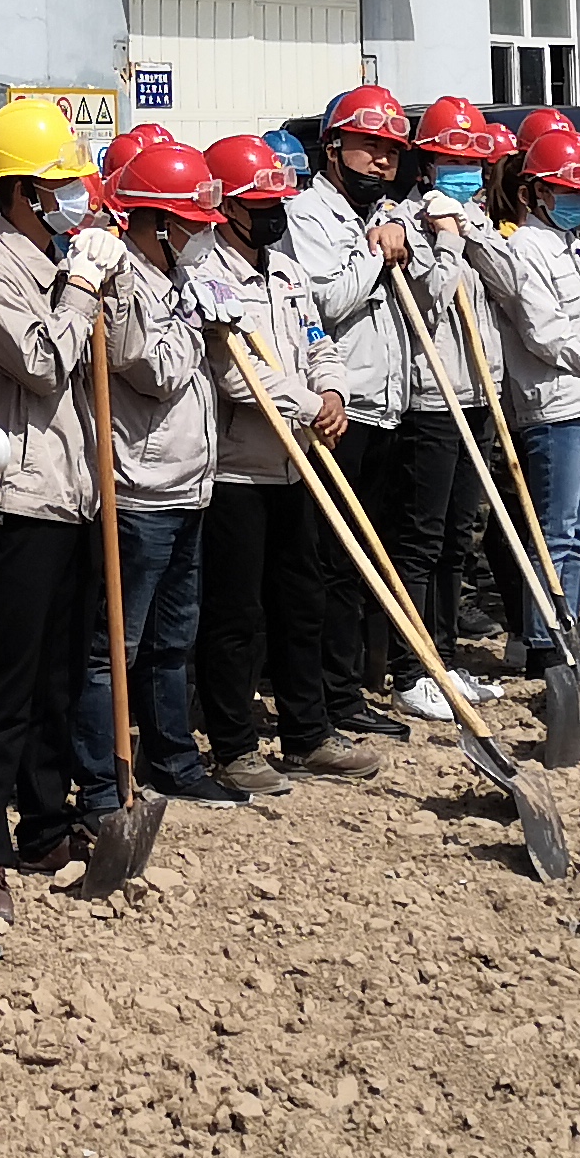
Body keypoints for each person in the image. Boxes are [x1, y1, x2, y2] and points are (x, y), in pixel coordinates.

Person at [0, 95, 118, 923]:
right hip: (13, 500)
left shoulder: (56, 261)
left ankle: (46, 822)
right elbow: (44, 363)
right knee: (4, 684)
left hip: (70, 494)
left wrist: (96, 281)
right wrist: (79, 289)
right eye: (57, 184)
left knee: (59, 677)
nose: (73, 196)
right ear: (18, 192)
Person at [185, 134, 374, 793]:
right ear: (229, 207)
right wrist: (307, 405)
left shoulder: (287, 272)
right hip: (238, 471)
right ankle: (235, 746)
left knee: (303, 603)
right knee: (237, 616)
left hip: (298, 466)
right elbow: (237, 374)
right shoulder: (205, 278)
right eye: (260, 205)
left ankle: (308, 734)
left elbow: (319, 342)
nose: (273, 215)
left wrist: (333, 393)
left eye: (277, 204)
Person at [83, 134, 226, 808]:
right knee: (116, 647)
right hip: (139, 492)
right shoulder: (123, 284)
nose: (204, 238)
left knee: (175, 640)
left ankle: (174, 759)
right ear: (159, 224)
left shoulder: (175, 281)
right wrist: (197, 325)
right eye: (194, 226)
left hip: (187, 485)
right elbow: (155, 369)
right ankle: (104, 780)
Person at [286, 86, 420, 741]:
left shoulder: (385, 215)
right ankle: (330, 699)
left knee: (367, 557)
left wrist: (407, 242)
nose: (382, 162)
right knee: (330, 566)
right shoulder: (307, 215)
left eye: (391, 151)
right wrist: (373, 253)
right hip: (341, 411)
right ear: (334, 149)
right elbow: (324, 304)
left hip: (388, 406)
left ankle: (352, 687)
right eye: (369, 147)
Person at [465, 113, 580, 650]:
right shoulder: (526, 249)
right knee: (556, 532)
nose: (576, 204)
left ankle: (566, 624)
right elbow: (545, 334)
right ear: (536, 193)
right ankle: (541, 639)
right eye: (565, 193)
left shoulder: (578, 248)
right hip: (555, 406)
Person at [391, 95, 510, 705]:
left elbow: (511, 287)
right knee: (423, 537)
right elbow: (428, 300)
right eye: (451, 160)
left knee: (460, 535)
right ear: (428, 163)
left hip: (479, 393)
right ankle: (412, 669)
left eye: (472, 162)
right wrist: (444, 240)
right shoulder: (404, 220)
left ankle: (447, 658)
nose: (463, 172)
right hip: (432, 399)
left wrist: (473, 234)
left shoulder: (475, 219)